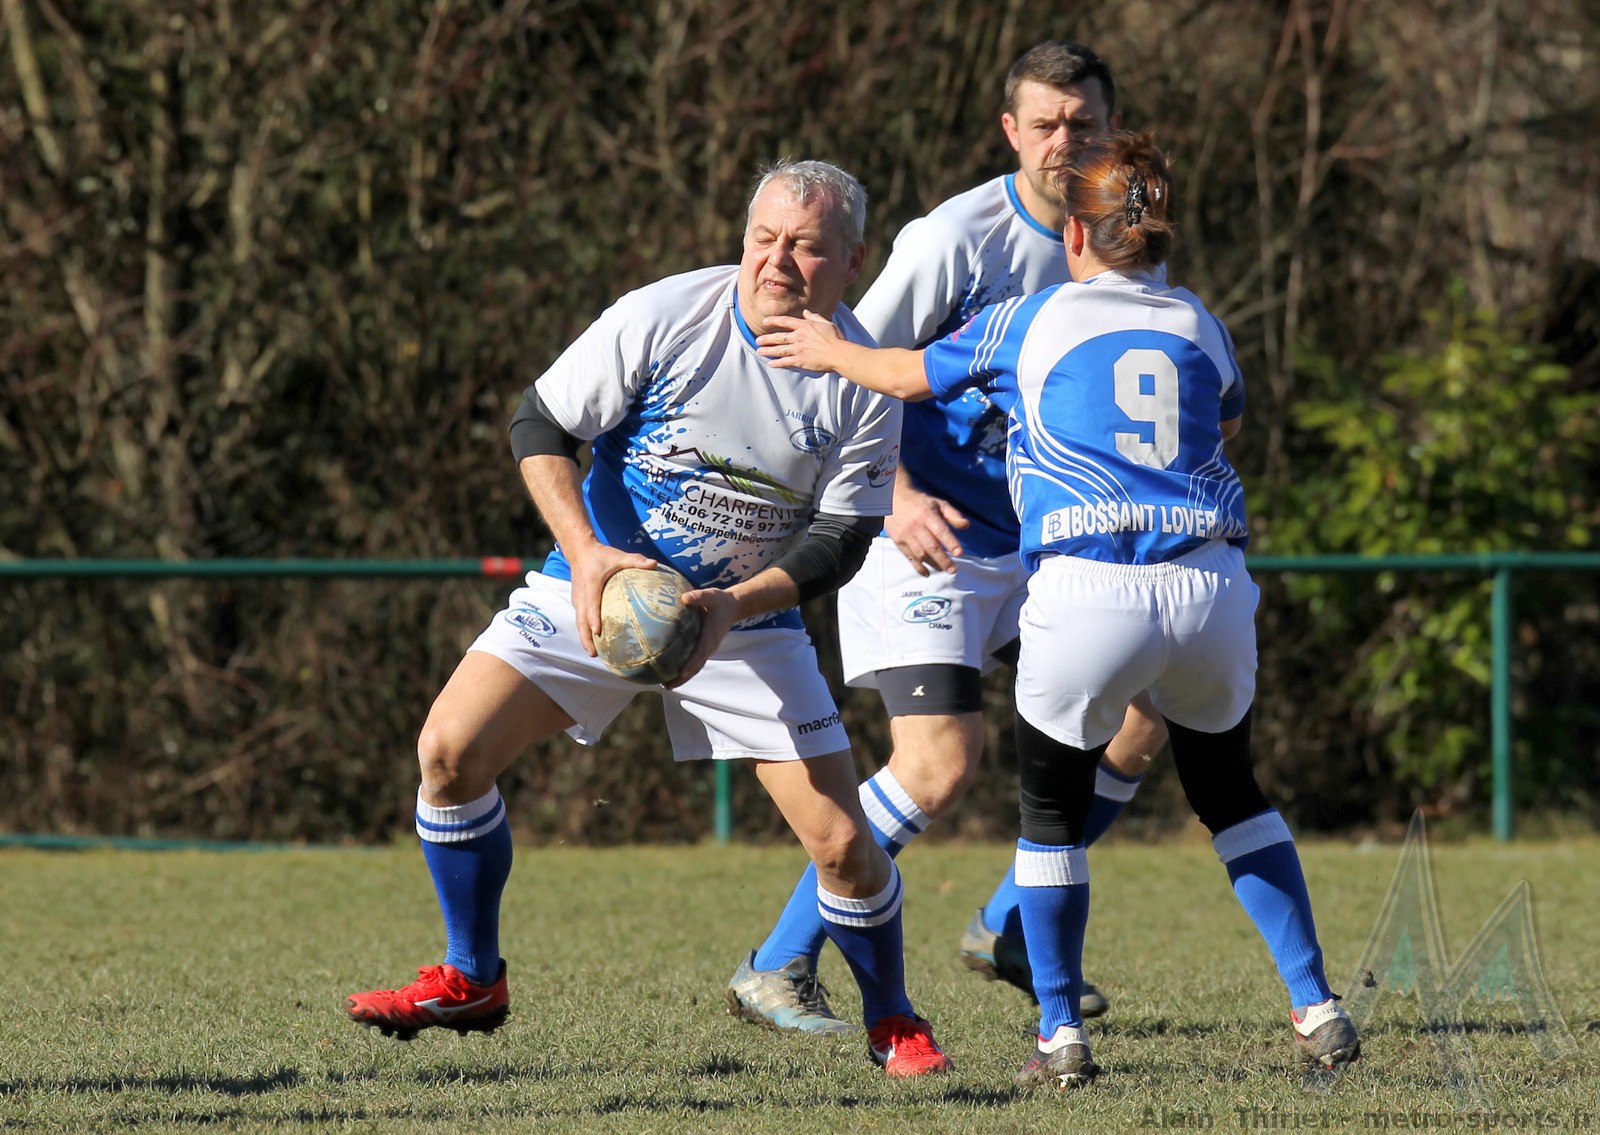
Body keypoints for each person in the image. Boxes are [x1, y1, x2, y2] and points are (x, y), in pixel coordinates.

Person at [754, 131, 1361, 1087]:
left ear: (1075, 235)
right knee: (1233, 796)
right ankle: (1317, 1003)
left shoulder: (1033, 317)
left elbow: (907, 377)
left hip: (1090, 588)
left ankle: (1059, 1033)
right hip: (1210, 584)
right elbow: (1226, 418)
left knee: (1047, 817)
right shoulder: (1201, 323)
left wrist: (829, 346)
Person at [344, 158, 953, 1079]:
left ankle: (894, 1021)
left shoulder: (862, 374)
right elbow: (540, 424)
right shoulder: (666, 315)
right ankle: (471, 976)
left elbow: (843, 540)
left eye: (805, 245)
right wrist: (588, 555)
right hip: (600, 587)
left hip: (746, 620)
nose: (777, 260)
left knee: (841, 843)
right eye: (763, 238)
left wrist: (730, 607)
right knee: (447, 753)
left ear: (853, 260)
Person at [725, 40, 1163, 1036]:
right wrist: (897, 492)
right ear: (1011, 131)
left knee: (1145, 712)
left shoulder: (1126, 235)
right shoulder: (955, 239)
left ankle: (1008, 926)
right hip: (925, 533)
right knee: (938, 763)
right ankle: (778, 963)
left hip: (1045, 542)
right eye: (1045, 123)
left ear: (1111, 128)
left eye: (1084, 123)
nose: (1065, 141)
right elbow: (838, 359)